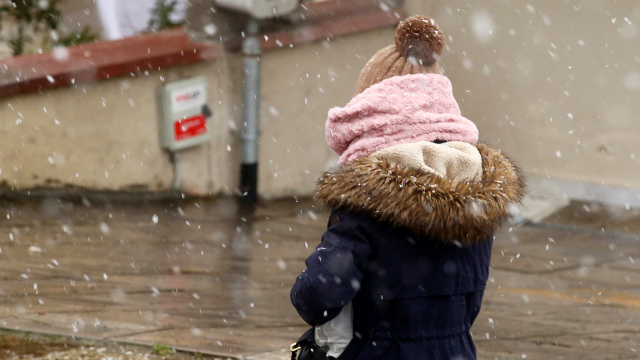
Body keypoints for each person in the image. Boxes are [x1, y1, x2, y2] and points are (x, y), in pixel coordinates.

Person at [290, 15, 525, 360]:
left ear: (371, 115)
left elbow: (317, 298)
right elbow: (468, 303)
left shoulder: (366, 202)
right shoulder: (477, 191)